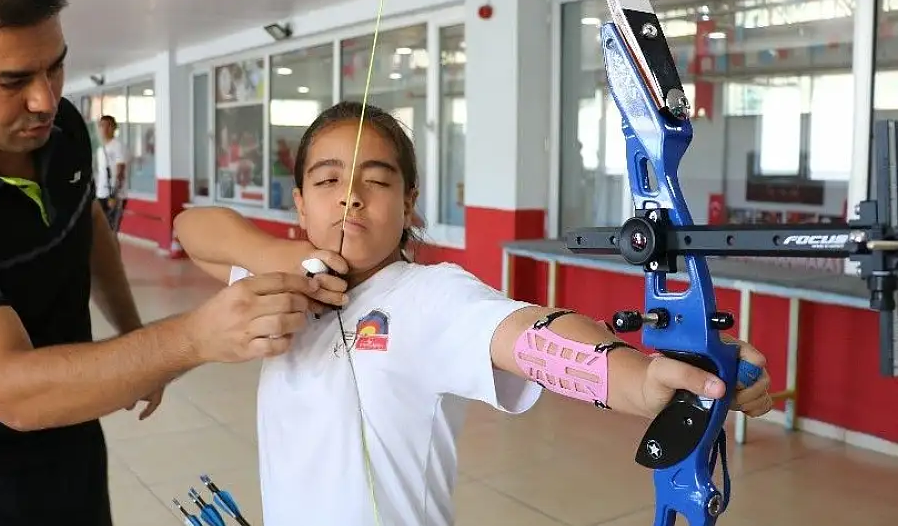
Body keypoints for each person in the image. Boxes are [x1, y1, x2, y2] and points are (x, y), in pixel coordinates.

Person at [0, 0, 337, 526]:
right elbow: (13, 390)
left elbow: (87, 223)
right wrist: (191, 339)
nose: (45, 98)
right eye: (12, 80)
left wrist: (134, 337)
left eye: (55, 65)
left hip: (76, 431)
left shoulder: (60, 130)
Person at [173, 101, 775, 526]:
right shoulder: (274, 282)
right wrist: (275, 255)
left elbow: (527, 335)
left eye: (376, 182)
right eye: (328, 179)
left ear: (409, 203)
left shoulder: (431, 296)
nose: (351, 194)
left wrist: (643, 381)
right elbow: (191, 226)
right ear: (300, 203)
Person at [95, 114, 127, 231]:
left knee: (111, 231)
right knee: (101, 231)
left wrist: (114, 195)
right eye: (102, 125)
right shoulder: (100, 149)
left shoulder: (118, 146)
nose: (104, 128)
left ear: (114, 128)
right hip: (101, 194)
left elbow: (121, 171)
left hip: (114, 195)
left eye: (108, 126)